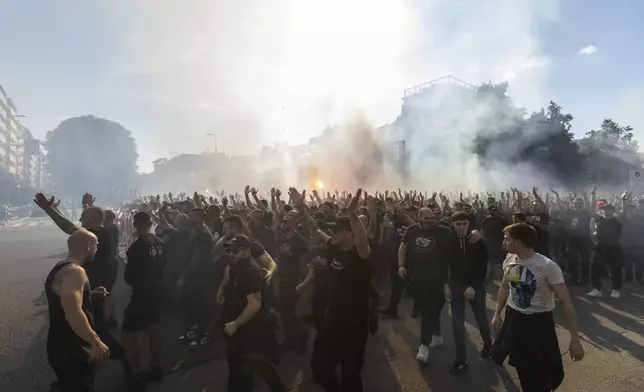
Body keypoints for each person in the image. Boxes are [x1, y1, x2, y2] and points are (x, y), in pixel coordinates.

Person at [294, 188, 372, 392]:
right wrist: (301, 207)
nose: (331, 233)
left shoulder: (360, 254)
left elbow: (362, 240)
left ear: (348, 234)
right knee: (319, 369)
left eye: (336, 230)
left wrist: (353, 215)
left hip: (355, 326)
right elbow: (314, 229)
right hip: (333, 321)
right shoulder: (334, 247)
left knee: (350, 376)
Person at [491, 223, 584, 392]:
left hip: (537, 325)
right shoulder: (510, 259)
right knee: (513, 361)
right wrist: (497, 313)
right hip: (513, 319)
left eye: (507, 239)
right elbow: (504, 288)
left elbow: (566, 302)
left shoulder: (547, 266)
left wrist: (575, 339)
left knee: (538, 375)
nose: (504, 242)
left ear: (518, 242)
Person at [46, 229, 110, 392]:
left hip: (58, 344)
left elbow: (62, 300)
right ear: (88, 246)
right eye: (96, 245)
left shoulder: (61, 267)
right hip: (75, 348)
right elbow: (73, 313)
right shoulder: (76, 271)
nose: (97, 249)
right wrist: (95, 341)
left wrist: (90, 295)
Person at [220, 235, 284, 392]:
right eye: (229, 250)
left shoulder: (250, 271)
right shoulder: (236, 263)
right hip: (241, 324)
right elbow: (230, 274)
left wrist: (236, 324)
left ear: (246, 250)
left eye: (235, 251)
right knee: (238, 361)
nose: (231, 254)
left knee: (256, 361)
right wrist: (222, 289)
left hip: (252, 326)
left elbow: (255, 304)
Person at [122, 212, 166, 390]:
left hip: (141, 294)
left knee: (127, 331)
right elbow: (164, 264)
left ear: (135, 224)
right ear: (151, 223)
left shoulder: (136, 247)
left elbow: (129, 276)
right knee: (154, 327)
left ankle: (137, 373)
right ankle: (155, 367)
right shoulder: (160, 243)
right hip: (156, 291)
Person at [447, 212, 492, 375]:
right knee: (457, 323)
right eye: (458, 224)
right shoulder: (448, 240)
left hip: (475, 286)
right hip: (456, 285)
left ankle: (488, 345)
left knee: (481, 318)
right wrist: (447, 284)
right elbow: (444, 264)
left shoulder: (477, 242)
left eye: (464, 223)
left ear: (469, 224)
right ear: (453, 224)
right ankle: (461, 360)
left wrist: (473, 286)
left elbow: (482, 267)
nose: (461, 227)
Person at [587, 191, 630, 299]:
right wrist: (592, 194)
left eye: (608, 209)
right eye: (604, 209)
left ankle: (616, 289)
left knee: (616, 269)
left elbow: (624, 212)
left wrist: (623, 199)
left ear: (612, 211)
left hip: (614, 248)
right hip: (600, 247)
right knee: (595, 267)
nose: (606, 211)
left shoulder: (617, 220)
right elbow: (591, 210)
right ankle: (597, 289)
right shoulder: (599, 219)